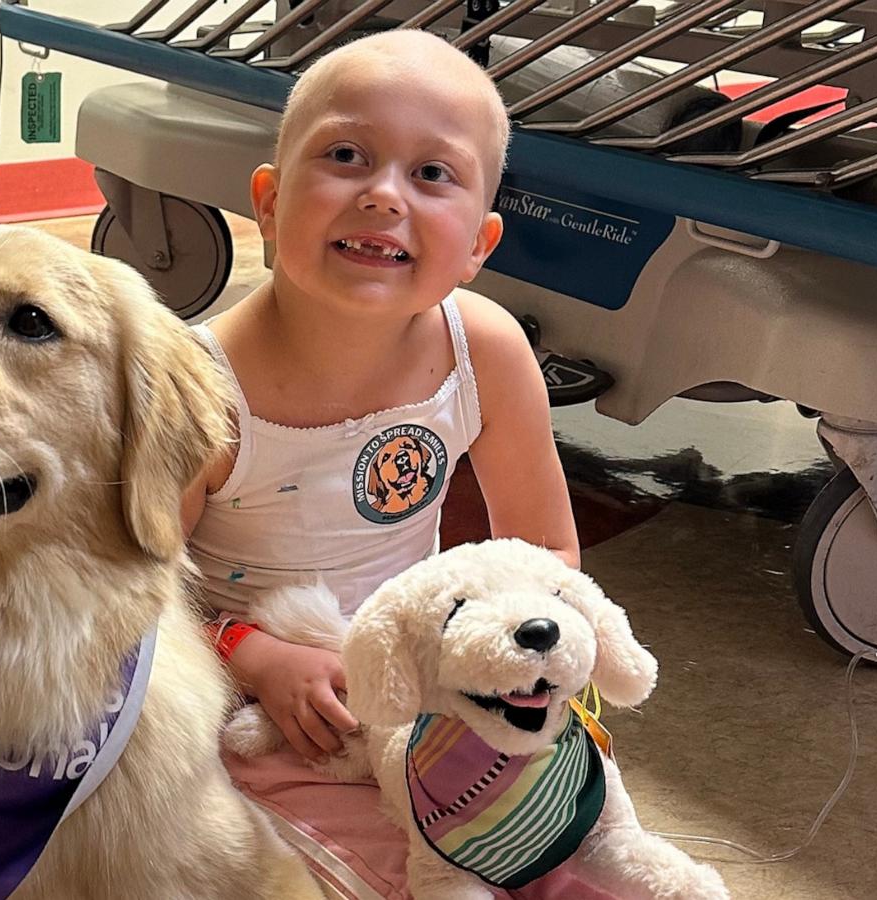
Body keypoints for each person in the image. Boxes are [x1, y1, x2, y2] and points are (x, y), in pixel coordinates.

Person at [181, 28, 581, 896]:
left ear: (479, 243)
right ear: (270, 201)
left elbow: (546, 559)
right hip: (252, 707)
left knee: (570, 849)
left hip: (422, 685)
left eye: (433, 174)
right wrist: (254, 656)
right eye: (348, 154)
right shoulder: (197, 389)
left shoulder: (486, 351)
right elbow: (125, 605)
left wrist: (518, 673)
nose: (383, 196)